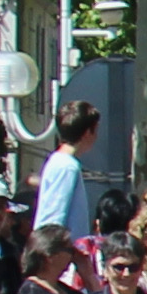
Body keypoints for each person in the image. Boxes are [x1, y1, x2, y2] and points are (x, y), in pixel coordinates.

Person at [30, 98, 98, 249]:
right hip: (60, 254)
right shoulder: (66, 166)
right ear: (88, 132)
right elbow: (53, 217)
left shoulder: (59, 161)